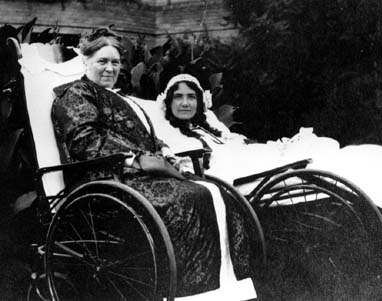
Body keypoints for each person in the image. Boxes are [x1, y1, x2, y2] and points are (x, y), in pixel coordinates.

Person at [50, 29, 253, 297]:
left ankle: (228, 286)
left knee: (219, 193)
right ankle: (192, 292)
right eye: (102, 61)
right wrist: (135, 159)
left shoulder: (122, 98)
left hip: (136, 176)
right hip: (104, 180)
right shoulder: (77, 94)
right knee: (189, 198)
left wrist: (166, 155)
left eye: (115, 62)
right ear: (85, 61)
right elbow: (85, 142)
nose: (110, 68)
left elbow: (149, 141)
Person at [156, 73, 382, 229]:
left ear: (199, 101)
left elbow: (240, 145)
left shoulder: (211, 129)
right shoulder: (172, 138)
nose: (185, 103)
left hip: (250, 161)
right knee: (342, 168)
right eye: (178, 98)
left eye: (191, 97)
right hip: (235, 179)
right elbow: (190, 171)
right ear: (168, 103)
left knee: (359, 155)